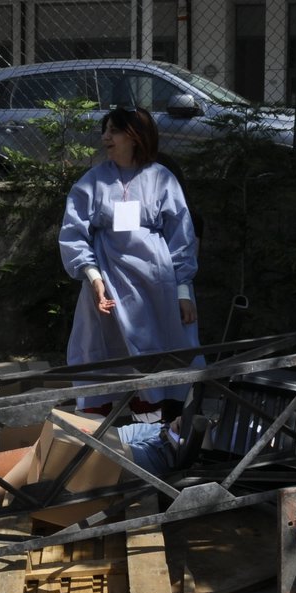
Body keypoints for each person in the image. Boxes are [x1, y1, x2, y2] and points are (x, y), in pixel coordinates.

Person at [60, 107, 200, 410]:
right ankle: (102, 424)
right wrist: (94, 277)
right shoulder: (92, 182)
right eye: (105, 130)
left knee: (159, 350)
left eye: (114, 130)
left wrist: (183, 290)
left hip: (154, 284)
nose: (105, 137)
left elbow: (181, 236)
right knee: (101, 349)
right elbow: (73, 233)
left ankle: (162, 425)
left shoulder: (162, 179)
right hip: (109, 283)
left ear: (135, 136)